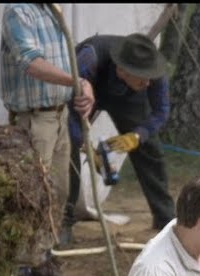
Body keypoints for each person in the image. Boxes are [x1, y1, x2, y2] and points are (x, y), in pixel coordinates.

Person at [0, 2, 93, 276]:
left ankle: (41, 260)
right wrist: (72, 81)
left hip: (58, 115)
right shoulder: (19, 11)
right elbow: (30, 62)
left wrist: (83, 86)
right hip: (33, 119)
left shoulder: (52, 11)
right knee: (30, 197)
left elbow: (68, 66)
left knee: (57, 192)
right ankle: (18, 274)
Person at [62, 33, 175, 242]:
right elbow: (67, 102)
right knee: (69, 147)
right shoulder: (89, 57)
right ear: (122, 69)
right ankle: (65, 221)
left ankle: (166, 219)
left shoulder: (151, 67)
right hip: (86, 90)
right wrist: (83, 144)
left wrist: (138, 136)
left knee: (149, 149)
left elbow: (162, 111)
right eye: (143, 76)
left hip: (129, 96)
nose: (149, 82)